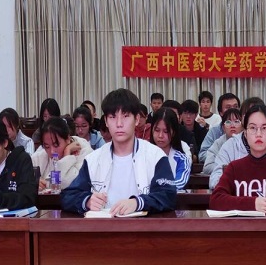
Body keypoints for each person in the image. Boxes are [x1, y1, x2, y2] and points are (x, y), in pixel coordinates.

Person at [60, 88, 176, 216]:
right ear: (106, 121)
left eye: (125, 116)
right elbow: (68, 196)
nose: (119, 124)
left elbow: (168, 196)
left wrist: (138, 202)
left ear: (137, 119)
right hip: (103, 227)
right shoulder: (93, 159)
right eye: (113, 117)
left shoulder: (155, 156)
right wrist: (87, 201)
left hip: (143, 227)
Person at [210, 104, 266, 213]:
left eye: (264, 128)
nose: (258, 134)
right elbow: (216, 200)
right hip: (243, 224)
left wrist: (265, 205)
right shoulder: (234, 167)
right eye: (253, 128)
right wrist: (253, 204)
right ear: (245, 133)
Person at [32, 116, 92, 191]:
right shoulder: (42, 154)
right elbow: (26, 176)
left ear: (68, 139)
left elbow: (66, 183)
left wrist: (66, 155)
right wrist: (34, 183)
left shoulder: (84, 151)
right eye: (47, 146)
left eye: (56, 145)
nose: (52, 151)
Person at [150, 108, 191, 191]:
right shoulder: (141, 155)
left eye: (166, 131)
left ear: (174, 132)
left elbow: (180, 182)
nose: (160, 136)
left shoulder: (182, 159)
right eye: (157, 130)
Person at [198, 92, 241, 163]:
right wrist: (224, 157)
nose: (232, 110)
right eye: (228, 107)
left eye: (235, 107)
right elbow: (202, 155)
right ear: (220, 112)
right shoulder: (214, 131)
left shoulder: (246, 131)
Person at [203, 108, 243, 175]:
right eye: (228, 122)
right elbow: (207, 167)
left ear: (242, 126)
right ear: (223, 127)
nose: (232, 125)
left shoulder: (248, 142)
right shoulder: (218, 143)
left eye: (236, 122)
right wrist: (227, 168)